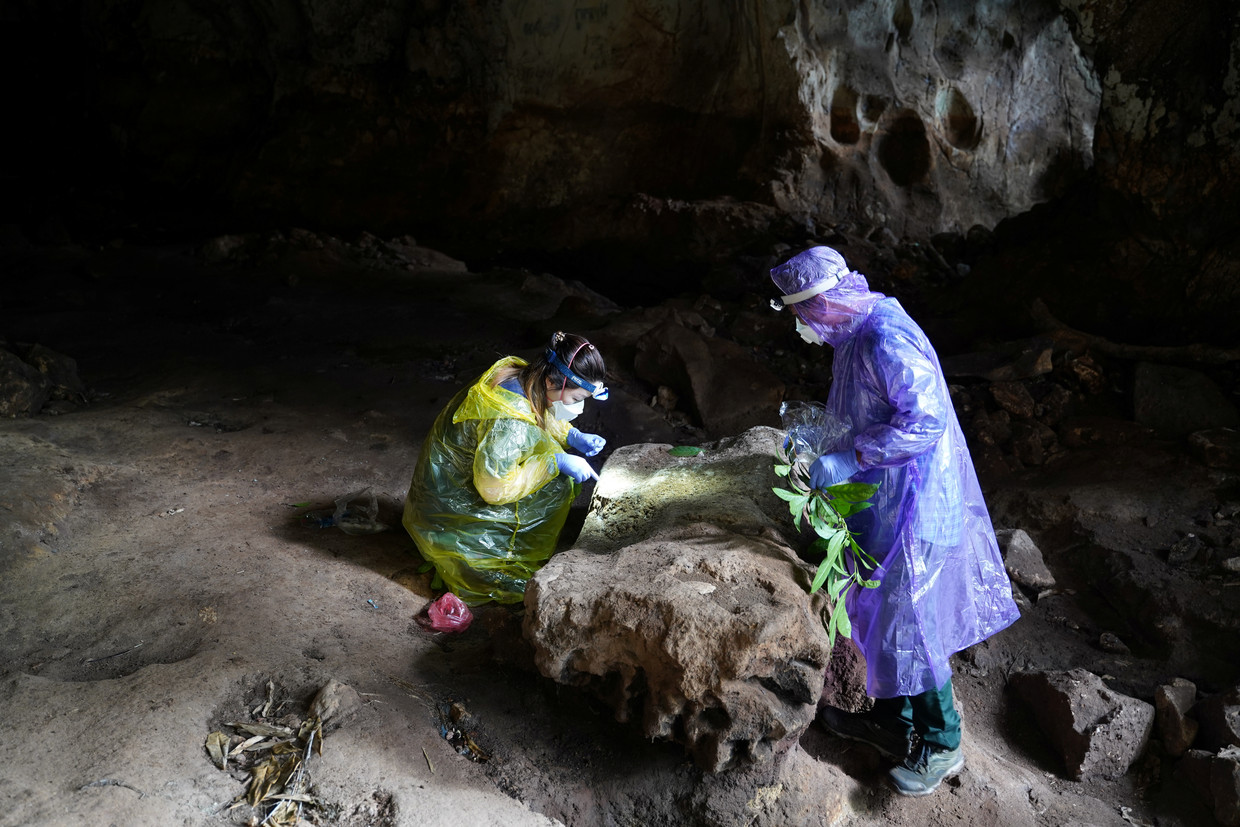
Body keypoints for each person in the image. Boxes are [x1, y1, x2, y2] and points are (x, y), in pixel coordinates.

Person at [769, 246, 1019, 796]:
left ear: (825, 301)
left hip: (917, 503)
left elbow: (923, 421)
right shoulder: (855, 331)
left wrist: (850, 457)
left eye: (800, 314)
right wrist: (821, 442)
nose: (800, 326)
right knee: (880, 613)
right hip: (888, 498)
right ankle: (892, 723)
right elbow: (865, 408)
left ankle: (942, 744)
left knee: (912, 622)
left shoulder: (884, 337)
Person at [402, 331, 609, 606]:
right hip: (452, 508)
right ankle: (499, 567)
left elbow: (538, 410)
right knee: (557, 485)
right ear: (551, 381)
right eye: (575, 399)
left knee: (552, 460)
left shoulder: (523, 376)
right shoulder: (509, 423)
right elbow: (493, 488)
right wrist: (554, 463)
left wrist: (572, 436)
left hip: (447, 483)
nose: (579, 408)